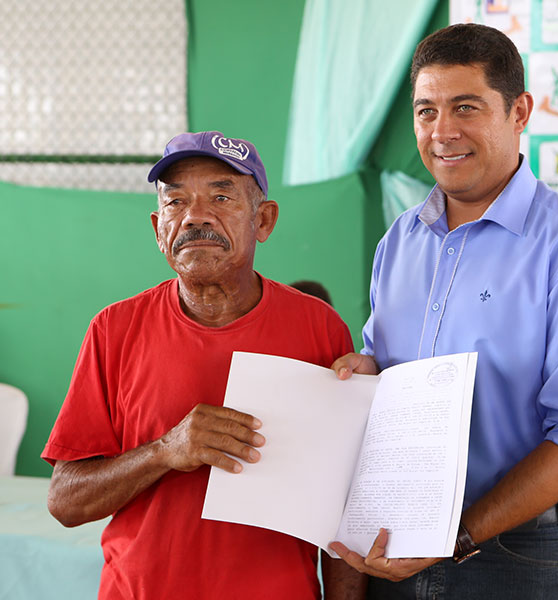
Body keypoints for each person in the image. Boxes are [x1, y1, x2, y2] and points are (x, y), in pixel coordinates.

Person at [329, 23, 558, 599]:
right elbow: (386, 364)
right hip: (397, 542)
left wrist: (456, 536)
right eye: (426, 111)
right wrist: (364, 371)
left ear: (519, 111)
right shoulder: (400, 240)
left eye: (466, 107)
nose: (442, 131)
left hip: (524, 555)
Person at [42, 131, 363, 600]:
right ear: (159, 229)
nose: (195, 216)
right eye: (176, 202)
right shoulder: (113, 329)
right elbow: (65, 501)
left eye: (221, 197)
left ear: (264, 220)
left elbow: (345, 503)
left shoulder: (320, 328)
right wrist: (164, 451)